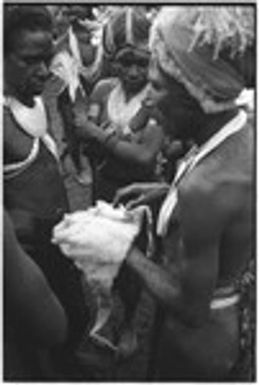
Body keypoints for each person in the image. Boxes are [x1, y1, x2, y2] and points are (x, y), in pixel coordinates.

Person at [112, 6, 255, 380]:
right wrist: (166, 192)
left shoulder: (206, 187)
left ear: (197, 93)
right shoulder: (238, 128)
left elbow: (191, 309)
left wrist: (122, 248)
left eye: (157, 86)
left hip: (198, 342)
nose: (148, 100)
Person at [3, 5, 88, 379]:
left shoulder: (34, 101)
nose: (44, 71)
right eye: (29, 61)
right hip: (28, 258)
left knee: (76, 318)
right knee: (42, 337)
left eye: (47, 59)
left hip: (59, 243)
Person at [73, 6, 164, 203]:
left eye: (141, 64)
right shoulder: (103, 90)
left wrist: (98, 134)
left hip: (143, 191)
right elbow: (86, 141)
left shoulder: (156, 97)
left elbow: (144, 156)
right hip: (105, 185)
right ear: (112, 60)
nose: (132, 72)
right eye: (125, 63)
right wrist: (120, 142)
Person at [4, 210, 68, 380]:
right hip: (28, 244)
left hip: (49, 229)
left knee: (76, 310)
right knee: (30, 347)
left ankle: (64, 360)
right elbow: (52, 329)